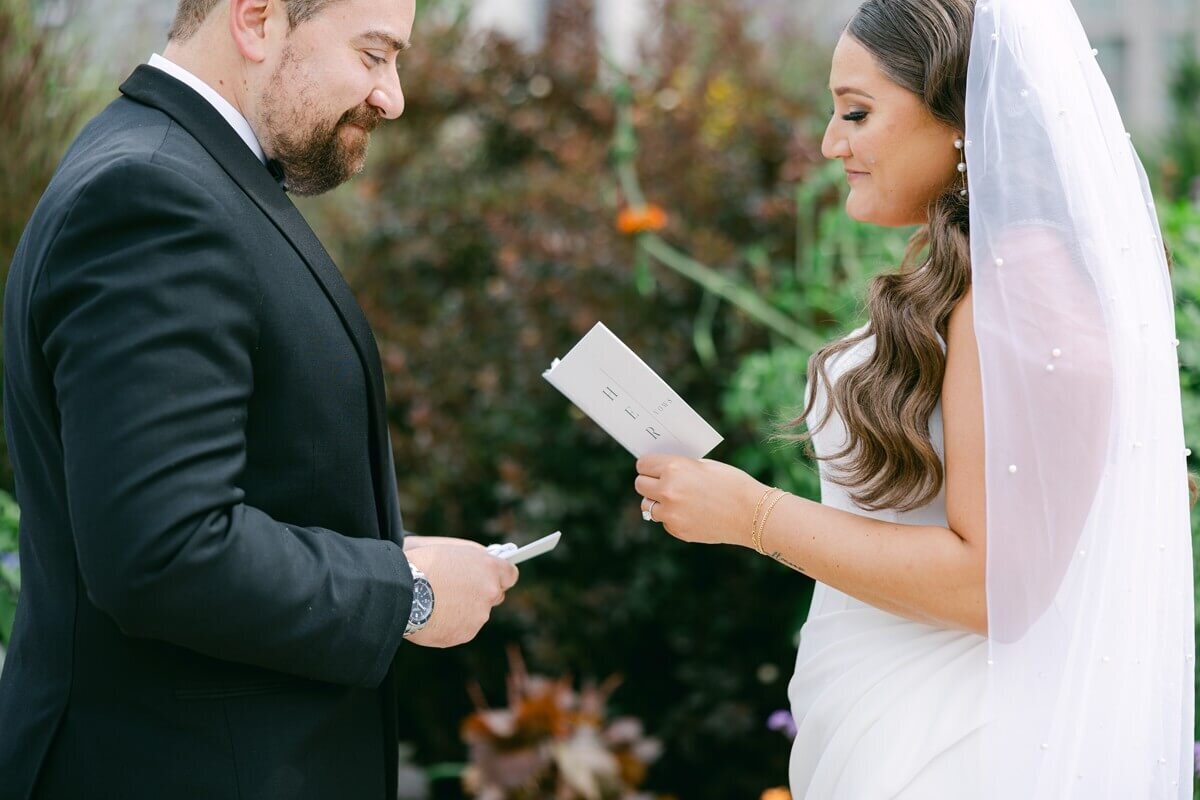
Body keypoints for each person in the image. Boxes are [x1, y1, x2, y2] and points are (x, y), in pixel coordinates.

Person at [634, 0, 1194, 796]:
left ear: (960, 113)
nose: (832, 144)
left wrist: (753, 517)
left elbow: (994, 584)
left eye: (856, 113)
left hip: (957, 745)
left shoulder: (1023, 287)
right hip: (890, 723)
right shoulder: (979, 272)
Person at [0, 0, 519, 797]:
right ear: (256, 20)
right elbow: (164, 549)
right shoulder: (151, 198)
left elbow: (246, 482)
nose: (393, 96)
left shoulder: (184, 173)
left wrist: (403, 553)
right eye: (374, 54)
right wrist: (404, 596)